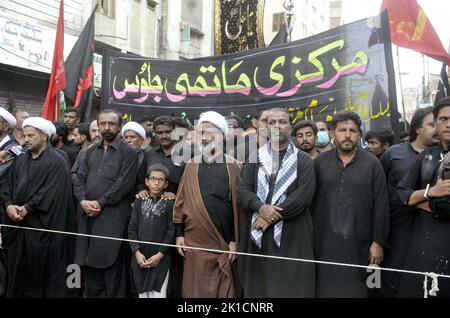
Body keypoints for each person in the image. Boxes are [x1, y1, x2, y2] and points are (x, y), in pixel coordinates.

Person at [237, 108, 316, 298]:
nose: (277, 126)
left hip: (292, 233)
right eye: (271, 122)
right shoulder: (255, 157)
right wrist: (261, 208)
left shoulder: (302, 160)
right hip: (258, 233)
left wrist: (269, 217)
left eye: (282, 122)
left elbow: (303, 196)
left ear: (290, 126)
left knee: (291, 286)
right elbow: (243, 190)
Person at [312, 111, 389, 297]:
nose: (347, 135)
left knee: (369, 287)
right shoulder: (320, 163)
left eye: (353, 131)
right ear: (332, 134)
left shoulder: (373, 164)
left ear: (359, 135)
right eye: (342, 130)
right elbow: (310, 202)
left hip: (363, 245)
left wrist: (378, 242)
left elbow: (381, 205)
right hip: (325, 243)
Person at [2, 117, 74, 297]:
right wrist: (9, 205)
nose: (26, 139)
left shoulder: (57, 161)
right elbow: (8, 186)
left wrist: (27, 208)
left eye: (31, 135)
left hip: (43, 232)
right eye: (24, 135)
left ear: (44, 137)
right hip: (19, 230)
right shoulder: (20, 159)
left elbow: (50, 193)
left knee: (40, 280)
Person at [173, 111, 242, 298]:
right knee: (193, 289)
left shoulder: (235, 166)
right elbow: (181, 201)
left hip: (223, 242)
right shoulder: (191, 165)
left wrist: (234, 240)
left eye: (210, 133)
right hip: (194, 240)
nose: (204, 138)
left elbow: (238, 208)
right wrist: (179, 235)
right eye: (201, 133)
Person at [74, 109, 138, 298]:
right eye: (103, 124)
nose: (107, 127)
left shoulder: (128, 152)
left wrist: (100, 203)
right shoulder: (89, 151)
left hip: (113, 218)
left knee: (112, 273)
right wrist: (83, 201)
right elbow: (80, 179)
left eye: (112, 124)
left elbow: (123, 185)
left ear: (119, 127)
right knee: (91, 271)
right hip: (88, 216)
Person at [379, 107, 438, 297]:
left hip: (433, 230)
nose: (438, 128)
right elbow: (381, 194)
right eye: (432, 124)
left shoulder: (444, 157)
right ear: (417, 128)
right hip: (398, 231)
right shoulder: (393, 154)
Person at [396, 97, 450, 298]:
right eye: (443, 119)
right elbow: (401, 196)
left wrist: (421, 202)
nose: (449, 124)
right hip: (425, 246)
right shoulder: (426, 157)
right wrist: (431, 192)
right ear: (435, 123)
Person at [128, 164, 175, 298]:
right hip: (140, 257)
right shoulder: (139, 201)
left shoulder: (169, 203)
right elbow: (132, 228)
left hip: (160, 259)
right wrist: (136, 252)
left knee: (159, 294)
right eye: (153, 178)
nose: (156, 182)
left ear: (166, 184)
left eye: (160, 180)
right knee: (142, 295)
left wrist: (160, 255)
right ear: (146, 181)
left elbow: (171, 232)